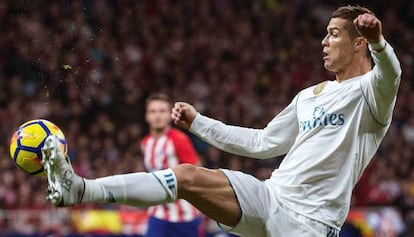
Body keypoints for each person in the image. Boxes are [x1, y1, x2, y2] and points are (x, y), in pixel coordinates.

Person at [41, 6, 401, 237]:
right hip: (270, 196)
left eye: (334, 34)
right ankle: (80, 189)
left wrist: (380, 43)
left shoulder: (371, 94)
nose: (324, 41)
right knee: (186, 176)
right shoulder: (309, 96)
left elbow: (391, 75)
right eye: (325, 33)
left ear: (359, 44)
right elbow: (262, 143)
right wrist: (199, 123)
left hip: (312, 223)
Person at [140, 93, 202, 237]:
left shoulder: (179, 140)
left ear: (169, 115)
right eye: (153, 111)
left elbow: (197, 172)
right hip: (157, 214)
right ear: (147, 116)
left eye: (162, 111)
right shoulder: (145, 143)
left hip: (184, 216)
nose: (157, 116)